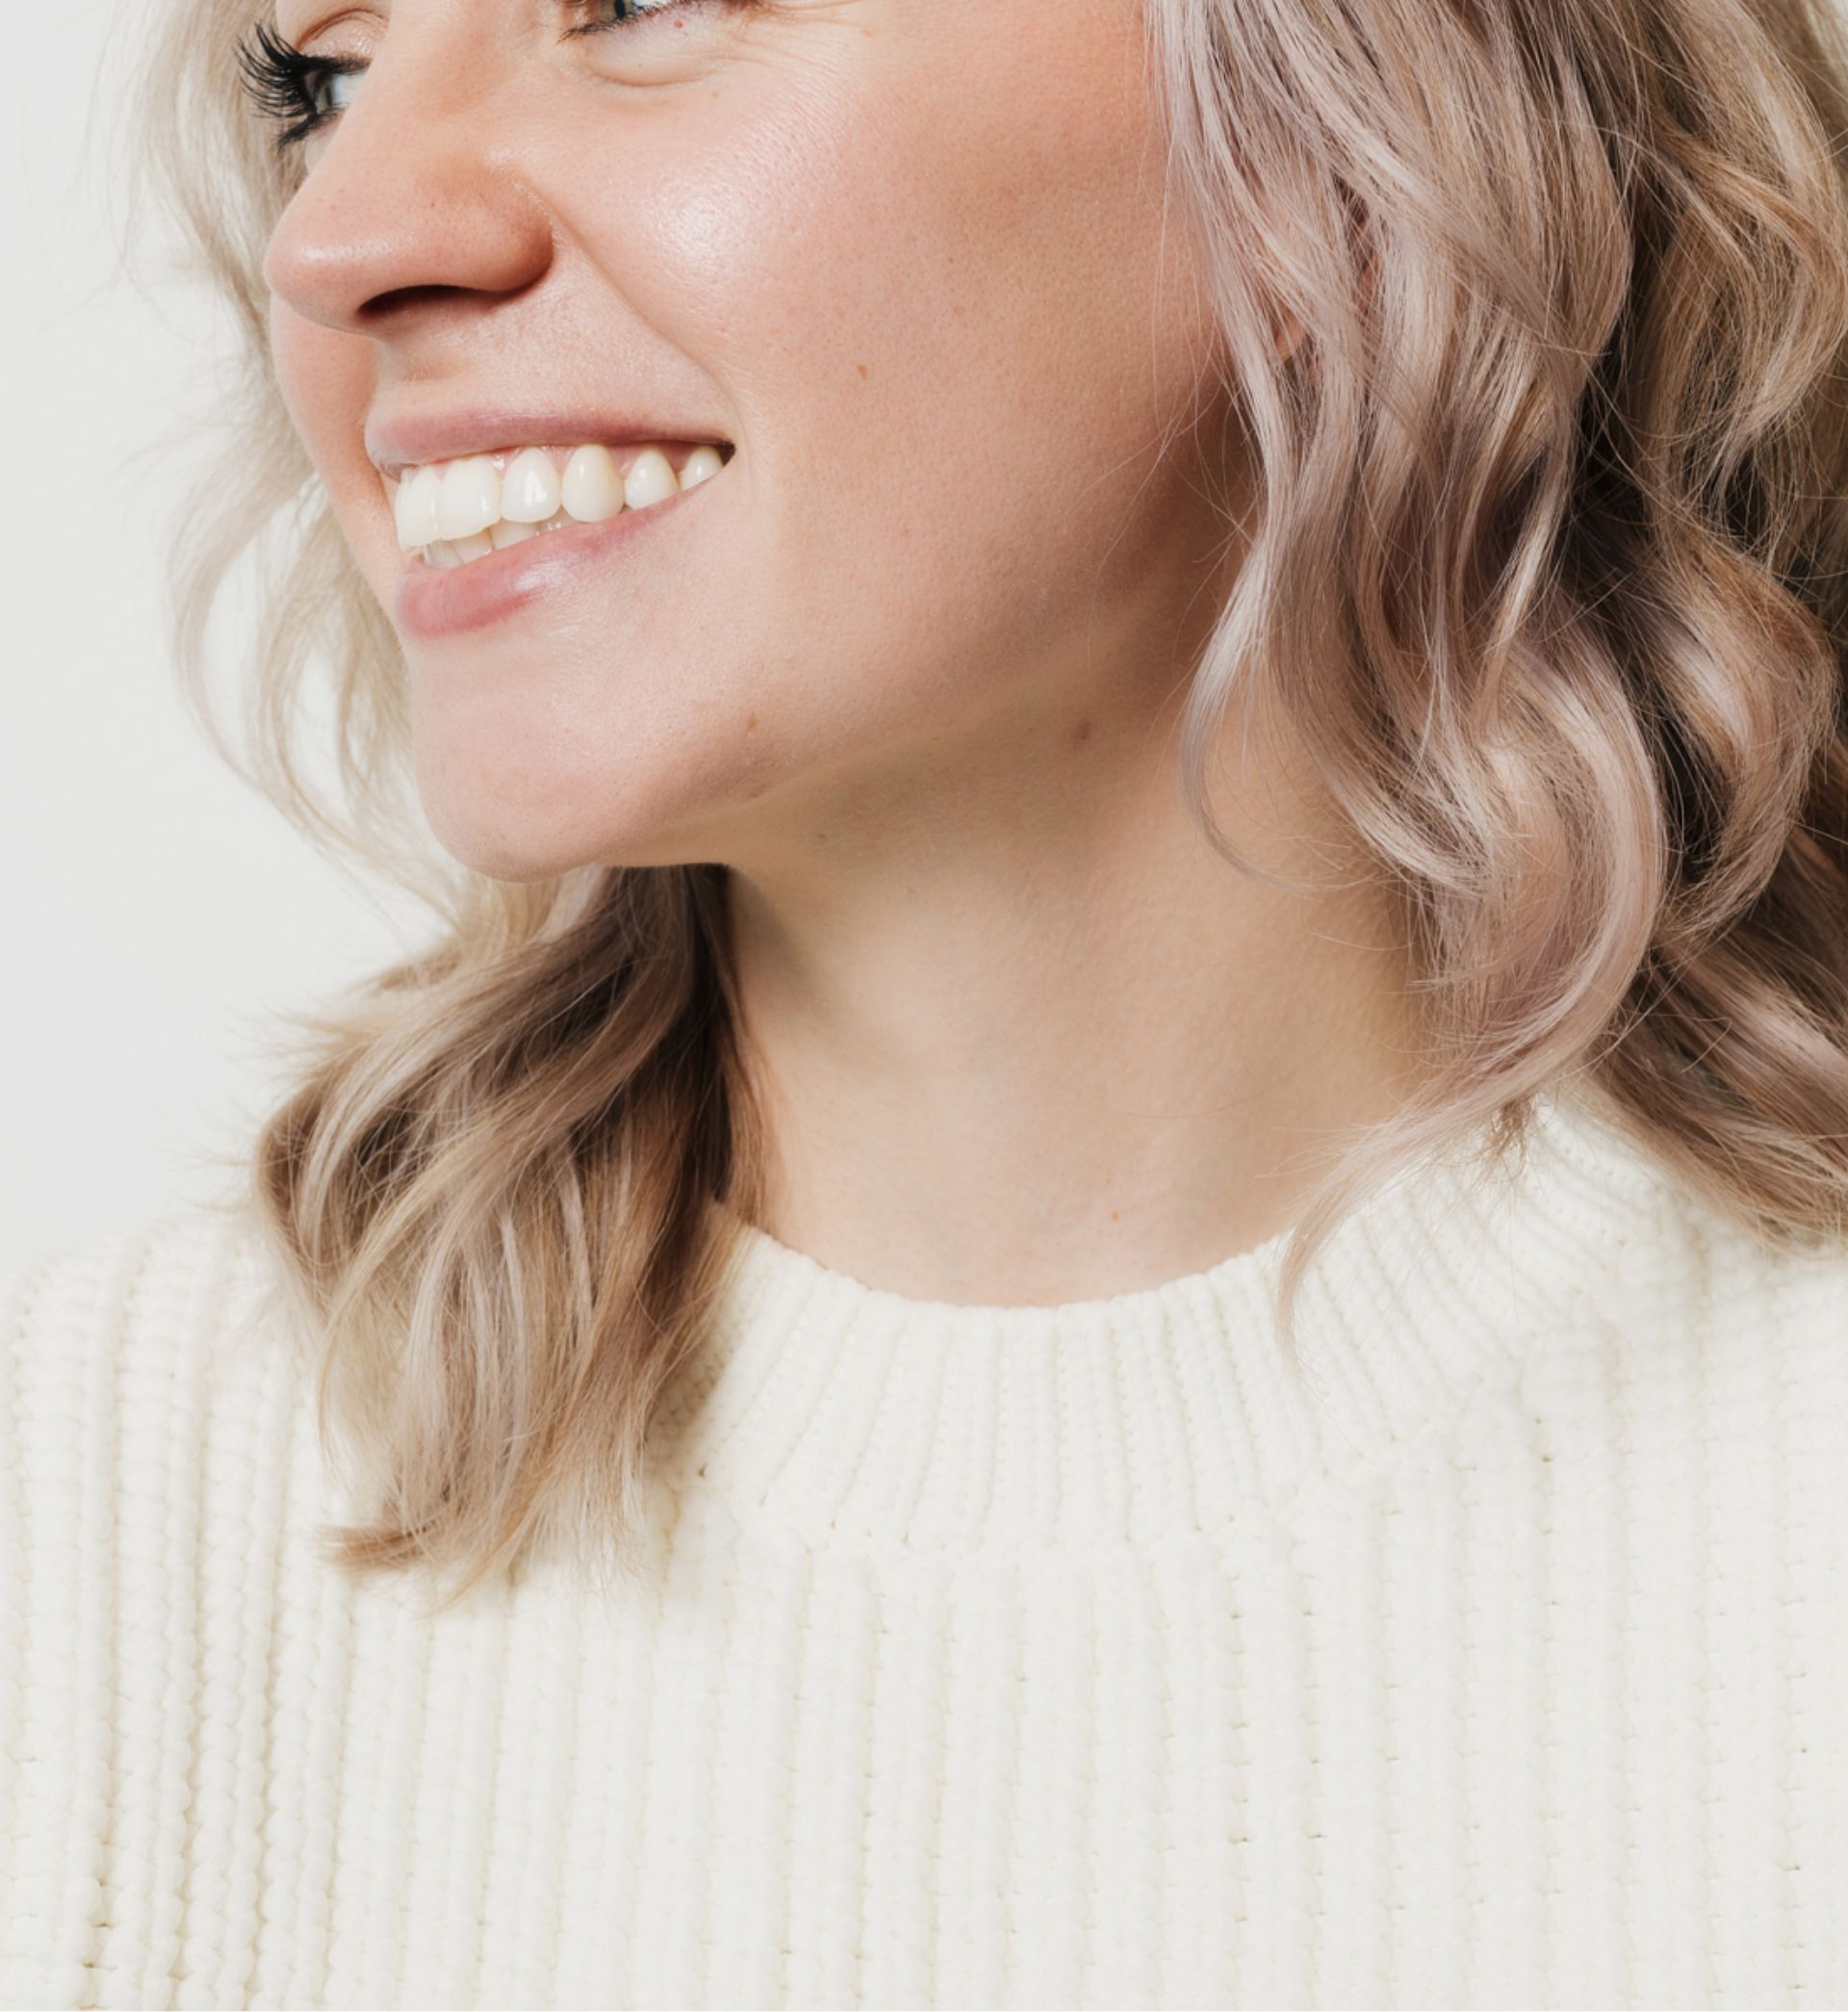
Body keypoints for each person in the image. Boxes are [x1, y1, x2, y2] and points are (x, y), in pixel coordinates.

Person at [5, 0, 1848, 2003]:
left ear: (1364, 115)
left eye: (639, 6)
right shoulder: (79, 1541)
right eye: (317, 80)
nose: (342, 237)